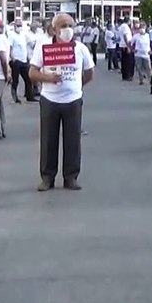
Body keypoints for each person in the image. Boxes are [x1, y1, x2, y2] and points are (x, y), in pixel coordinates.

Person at [29, 13, 95, 191]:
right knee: (48, 140)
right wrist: (48, 78)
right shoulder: (43, 47)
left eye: (70, 26)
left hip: (72, 100)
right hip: (50, 99)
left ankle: (71, 177)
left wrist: (77, 86)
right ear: (54, 29)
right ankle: (47, 177)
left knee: (73, 139)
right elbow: (32, 72)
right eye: (63, 26)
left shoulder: (80, 48)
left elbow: (89, 72)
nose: (67, 30)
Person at [133, 21, 152, 86]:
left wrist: (150, 50)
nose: (142, 29)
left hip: (146, 54)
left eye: (143, 27)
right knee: (139, 67)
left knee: (148, 68)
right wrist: (133, 49)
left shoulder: (148, 35)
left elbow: (150, 43)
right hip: (138, 54)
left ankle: (150, 80)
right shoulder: (136, 36)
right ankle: (141, 79)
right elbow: (131, 43)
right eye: (140, 28)